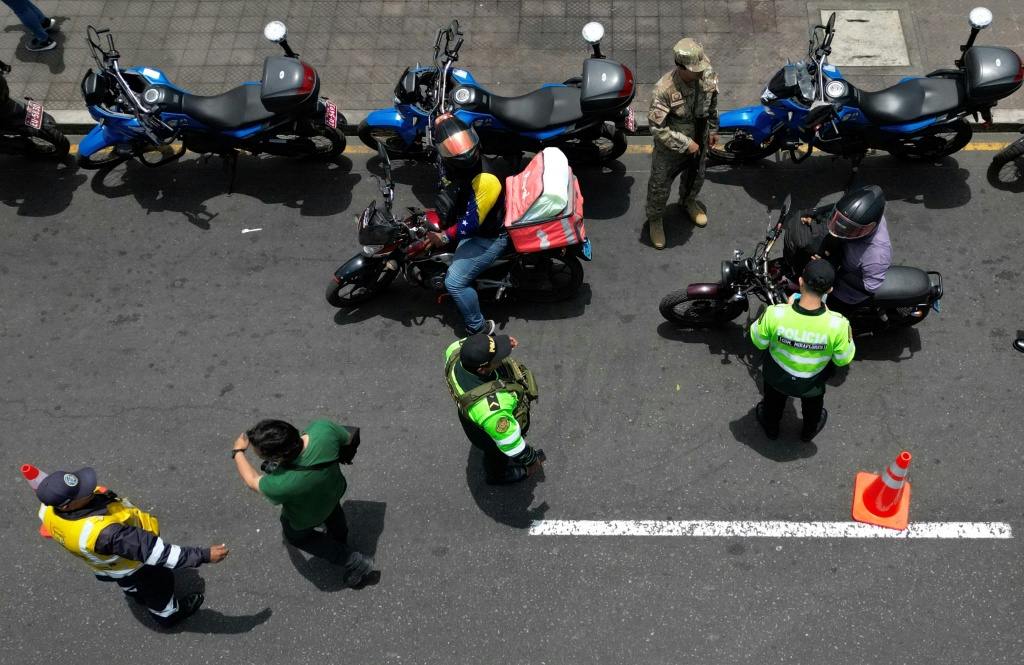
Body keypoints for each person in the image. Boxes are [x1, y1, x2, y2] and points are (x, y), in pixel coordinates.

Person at [36, 467, 228, 627]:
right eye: (83, 492)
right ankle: (167, 615)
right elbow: (159, 553)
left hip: (109, 567)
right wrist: (204, 555)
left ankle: (136, 594)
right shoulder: (107, 534)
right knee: (159, 585)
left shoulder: (47, 509)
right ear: (68, 506)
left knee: (130, 583)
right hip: (135, 565)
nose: (91, 488)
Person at [231, 419, 375, 587]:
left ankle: (355, 561)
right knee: (333, 513)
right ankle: (340, 538)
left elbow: (252, 480)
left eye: (259, 454)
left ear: (278, 457)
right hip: (333, 490)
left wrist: (238, 451)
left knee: (299, 538)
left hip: (308, 516)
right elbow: (348, 439)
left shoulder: (279, 484)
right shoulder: (322, 429)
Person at [750, 260, 856, 441]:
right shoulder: (839, 324)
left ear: (800, 281)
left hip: (777, 377)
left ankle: (771, 428)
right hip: (812, 383)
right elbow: (842, 360)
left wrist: (786, 308)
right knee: (813, 408)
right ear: (829, 290)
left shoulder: (775, 314)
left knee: (772, 403)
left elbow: (759, 342)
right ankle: (808, 433)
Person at [423, 113, 508, 335]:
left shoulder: (486, 180)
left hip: (488, 237)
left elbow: (469, 226)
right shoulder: (448, 157)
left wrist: (442, 237)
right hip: (466, 215)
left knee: (455, 283)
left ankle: (478, 326)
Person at [644, 38, 720, 249]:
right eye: (695, 70)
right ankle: (655, 219)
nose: (700, 73)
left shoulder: (708, 75)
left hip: (700, 141)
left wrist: (713, 129)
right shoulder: (664, 90)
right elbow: (657, 128)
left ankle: (688, 201)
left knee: (696, 176)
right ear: (680, 67)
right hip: (671, 150)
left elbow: (712, 104)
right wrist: (686, 143)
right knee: (659, 186)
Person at [444, 332, 544, 485]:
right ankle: (497, 475)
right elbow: (508, 439)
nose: (502, 357)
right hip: (487, 433)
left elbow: (476, 343)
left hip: (472, 416)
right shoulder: (492, 409)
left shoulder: (455, 350)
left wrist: (499, 344)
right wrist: (530, 458)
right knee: (496, 453)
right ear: (482, 370)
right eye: (497, 357)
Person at [796, 185, 892, 318]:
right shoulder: (862, 218)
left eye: (851, 230)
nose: (840, 232)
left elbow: (869, 288)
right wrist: (817, 211)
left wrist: (835, 267)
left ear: (870, 228)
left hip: (845, 293)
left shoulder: (877, 255)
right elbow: (842, 211)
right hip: (840, 257)